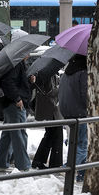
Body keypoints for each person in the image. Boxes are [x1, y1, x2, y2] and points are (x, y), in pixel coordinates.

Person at [0, 55, 33, 173]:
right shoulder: (15, 64)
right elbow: (8, 82)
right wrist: (17, 98)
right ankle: (23, 164)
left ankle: (1, 162)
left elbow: (17, 82)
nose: (29, 54)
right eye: (28, 51)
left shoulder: (16, 63)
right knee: (19, 133)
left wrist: (29, 80)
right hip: (15, 103)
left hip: (10, 103)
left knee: (8, 133)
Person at [59, 54, 88, 182]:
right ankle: (67, 168)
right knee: (82, 145)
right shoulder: (83, 72)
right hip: (80, 113)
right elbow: (85, 94)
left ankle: (82, 174)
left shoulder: (67, 72)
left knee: (74, 143)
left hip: (67, 112)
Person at [32, 73, 63, 169]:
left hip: (51, 110)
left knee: (50, 136)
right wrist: (61, 88)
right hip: (50, 110)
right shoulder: (48, 75)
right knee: (55, 135)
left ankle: (40, 161)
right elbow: (50, 92)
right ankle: (53, 163)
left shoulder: (52, 74)